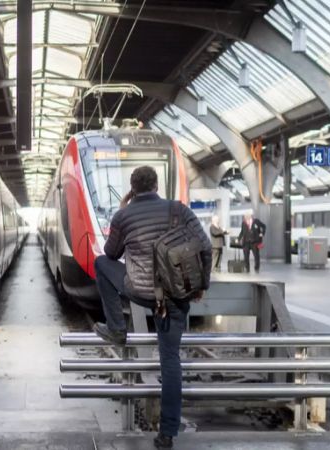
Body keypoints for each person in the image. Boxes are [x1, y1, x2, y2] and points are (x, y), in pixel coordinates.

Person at [91, 166, 212, 450]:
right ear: (157, 185)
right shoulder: (178, 210)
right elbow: (205, 247)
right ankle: (167, 434)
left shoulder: (123, 215)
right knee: (170, 361)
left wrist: (121, 214)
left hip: (142, 293)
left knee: (99, 263)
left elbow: (111, 255)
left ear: (132, 189)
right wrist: (200, 286)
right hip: (176, 296)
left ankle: (117, 329)